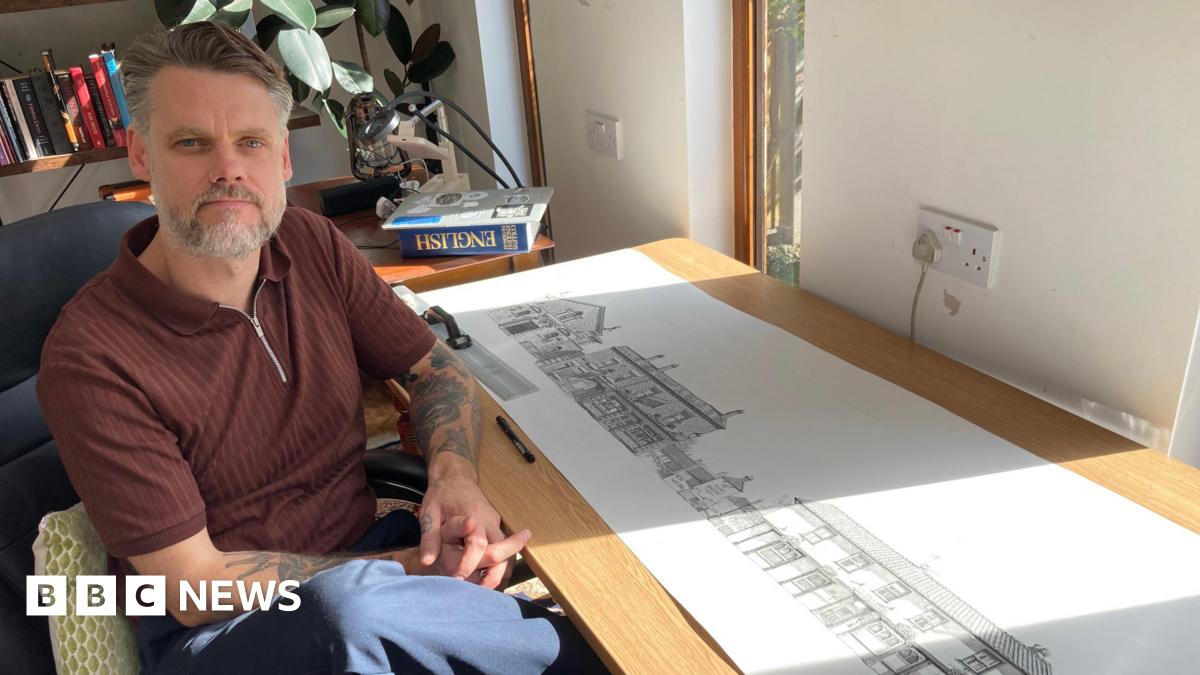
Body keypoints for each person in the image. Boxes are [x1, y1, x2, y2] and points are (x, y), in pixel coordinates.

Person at [36, 21, 603, 674]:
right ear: (142, 154)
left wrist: (454, 477)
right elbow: (191, 586)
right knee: (350, 611)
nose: (228, 170)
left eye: (250, 141)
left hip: (364, 565)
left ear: (282, 157)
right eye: (191, 142)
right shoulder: (90, 356)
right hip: (226, 633)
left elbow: (434, 366)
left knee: (570, 568)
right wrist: (410, 571)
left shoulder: (309, 244)